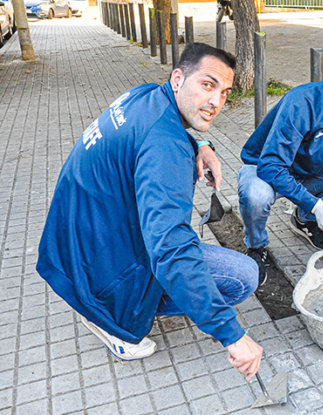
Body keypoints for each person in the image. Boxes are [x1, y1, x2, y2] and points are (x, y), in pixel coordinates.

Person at [36, 43, 263, 379]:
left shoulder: (144, 95)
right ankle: (111, 318)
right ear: (177, 78)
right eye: (207, 85)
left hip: (74, 243)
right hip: (99, 265)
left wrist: (201, 145)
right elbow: (170, 249)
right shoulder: (164, 148)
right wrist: (232, 334)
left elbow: (164, 133)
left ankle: (103, 298)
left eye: (225, 92)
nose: (217, 102)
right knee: (242, 277)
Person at [227, 51, 323, 286]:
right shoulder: (303, 102)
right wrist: (318, 205)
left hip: (310, 171)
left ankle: (303, 219)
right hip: (266, 169)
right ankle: (256, 245)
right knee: (256, 195)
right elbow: (271, 166)